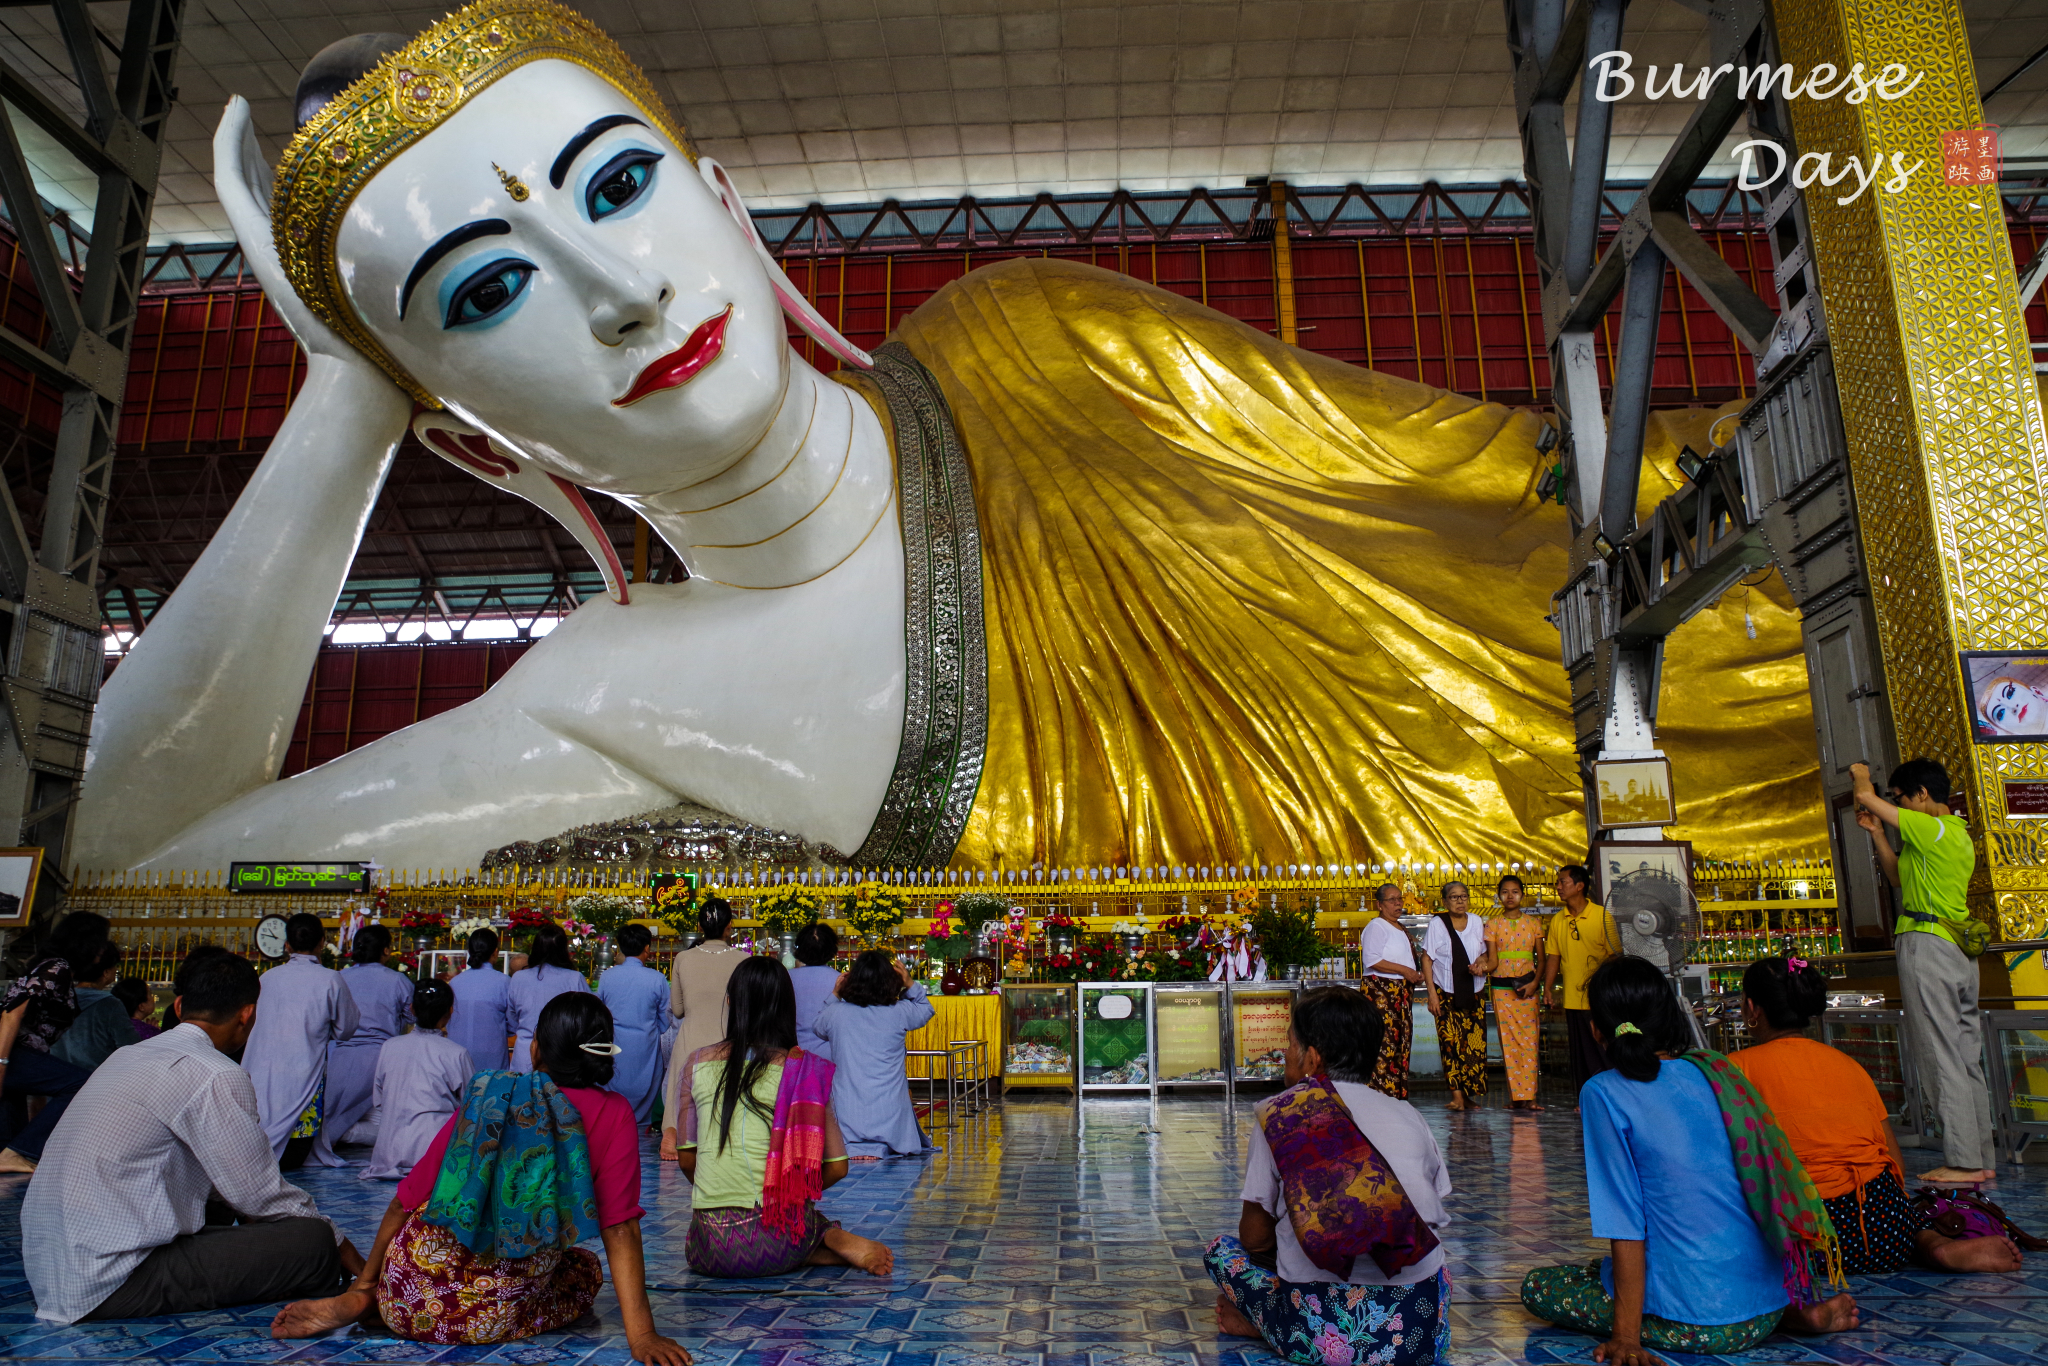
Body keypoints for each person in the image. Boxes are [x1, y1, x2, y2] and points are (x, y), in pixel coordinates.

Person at [269, 994, 691, 1365]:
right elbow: (620, 1227)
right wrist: (642, 1336)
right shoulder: (613, 1111)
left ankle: (367, 1302)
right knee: (582, 1269)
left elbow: (404, 1201)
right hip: (486, 1316)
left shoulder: (492, 1096)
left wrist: (364, 1283)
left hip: (403, 1288)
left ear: (536, 1049)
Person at [1520, 956, 1858, 1362]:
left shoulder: (1603, 1092)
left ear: (1596, 1030)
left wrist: (1626, 1338)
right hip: (1767, 1303)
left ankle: (1691, 1316)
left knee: (1541, 1286)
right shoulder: (1715, 1071)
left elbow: (1625, 1221)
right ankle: (1795, 1315)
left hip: (1698, 1326)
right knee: (1602, 1269)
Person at [23, 948, 359, 1323]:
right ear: (247, 1015)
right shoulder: (215, 1072)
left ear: (179, 1007)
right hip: (111, 1282)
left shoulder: (126, 1057)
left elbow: (233, 1194)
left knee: (218, 1202)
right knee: (310, 1241)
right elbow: (261, 1196)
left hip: (54, 1272)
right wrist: (345, 1249)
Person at [1206, 985, 1453, 1366]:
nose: (1285, 1053)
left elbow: (1253, 1238)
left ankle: (1268, 1322)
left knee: (1222, 1252)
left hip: (1320, 1332)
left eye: (1290, 1044)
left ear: (1312, 1059)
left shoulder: (1281, 1114)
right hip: (1418, 1331)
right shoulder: (1408, 1113)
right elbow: (1432, 1212)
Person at [1729, 956, 2020, 1275]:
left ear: (1752, 1009)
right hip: (1885, 1230)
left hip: (1807, 1237)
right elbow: (1896, 1162)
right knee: (1908, 1215)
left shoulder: (1734, 1068)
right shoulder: (1849, 1065)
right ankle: (1932, 1245)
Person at [676, 955, 894, 1277]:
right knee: (792, 1212)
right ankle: (826, 1239)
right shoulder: (804, 1070)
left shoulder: (695, 1063)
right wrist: (790, 1195)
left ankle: (816, 1246)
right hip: (777, 1243)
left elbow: (687, 1161)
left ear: (730, 1002)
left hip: (709, 1250)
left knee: (763, 1213)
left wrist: (720, 1194)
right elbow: (837, 1167)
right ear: (788, 1008)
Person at [1850, 758, 1995, 1184]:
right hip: (1957, 953)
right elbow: (1898, 878)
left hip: (1928, 945)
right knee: (1967, 1059)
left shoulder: (1932, 828)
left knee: (1939, 1055)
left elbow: (1864, 795)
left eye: (1901, 799)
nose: (1899, 808)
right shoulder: (1953, 836)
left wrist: (1861, 771)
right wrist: (1878, 835)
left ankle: (1963, 1162)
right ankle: (1981, 1157)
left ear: (1923, 794)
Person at [242, 912, 359, 1169]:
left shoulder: (266, 979)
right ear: (322, 942)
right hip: (303, 1066)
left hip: (263, 1067)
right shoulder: (330, 979)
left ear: (286, 945)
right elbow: (346, 1029)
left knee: (263, 1114)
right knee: (296, 1142)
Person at [0, 911, 111, 1172]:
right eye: (101, 940)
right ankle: (20, 1151)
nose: (104, 948)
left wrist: (37, 1095)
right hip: (11, 1053)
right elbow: (11, 1012)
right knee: (82, 1083)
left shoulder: (50, 966)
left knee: (8, 1144)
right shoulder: (57, 968)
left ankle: (14, 1156)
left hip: (18, 1055)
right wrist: (2, 1063)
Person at [814, 949, 936, 1158]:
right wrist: (909, 983)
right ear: (890, 981)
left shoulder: (836, 1013)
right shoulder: (899, 1011)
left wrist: (835, 994)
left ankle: (855, 1144)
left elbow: (818, 1027)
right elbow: (925, 1009)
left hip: (848, 1113)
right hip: (890, 1113)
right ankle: (886, 1142)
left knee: (842, 1104)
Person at [362, 980, 474, 1181]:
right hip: (431, 1155)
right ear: (449, 1012)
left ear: (412, 1009)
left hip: (387, 1154)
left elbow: (379, 1101)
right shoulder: (457, 1053)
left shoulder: (389, 1046)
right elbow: (472, 1107)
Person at [661, 899, 747, 1159]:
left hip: (691, 1037)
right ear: (730, 926)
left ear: (699, 926)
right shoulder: (742, 959)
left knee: (680, 1087)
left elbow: (677, 1009)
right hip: (727, 1039)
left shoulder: (683, 958)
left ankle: (672, 1134)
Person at [324, 924, 415, 1156]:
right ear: (386, 951)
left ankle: (330, 1133)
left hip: (336, 1056)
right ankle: (339, 1133)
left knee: (330, 1112)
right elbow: (414, 1015)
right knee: (392, 1130)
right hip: (378, 1058)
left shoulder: (339, 977)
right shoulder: (396, 980)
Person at [1542, 864, 1620, 1095]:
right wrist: (1547, 988)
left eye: (1562, 882)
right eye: (1557, 883)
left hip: (1599, 997)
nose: (1558, 887)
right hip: (1572, 998)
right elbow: (1553, 958)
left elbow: (1614, 956)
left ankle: (1613, 1092)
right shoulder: (1558, 920)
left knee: (1603, 1048)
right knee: (1580, 1052)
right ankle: (1584, 1097)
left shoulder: (1602, 916)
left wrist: (1605, 988)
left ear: (1579, 886)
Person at [1423, 880, 1490, 1110]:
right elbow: (1427, 958)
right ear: (1445, 901)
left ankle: (1469, 1094)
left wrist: (1480, 963)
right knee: (1450, 1044)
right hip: (1446, 992)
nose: (1460, 901)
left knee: (1473, 1045)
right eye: (1454, 897)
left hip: (1474, 992)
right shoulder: (1438, 924)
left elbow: (1484, 953)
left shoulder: (1477, 921)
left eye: (1464, 896)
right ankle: (1456, 1096)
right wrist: (1432, 995)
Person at [599, 923, 673, 1127]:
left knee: (613, 1084)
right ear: (647, 948)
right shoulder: (657, 979)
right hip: (645, 1043)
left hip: (614, 1042)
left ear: (620, 948)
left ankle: (615, 1121)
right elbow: (667, 1017)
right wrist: (651, 1031)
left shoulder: (607, 976)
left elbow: (599, 1011)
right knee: (647, 1087)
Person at [1358, 883, 1424, 1099]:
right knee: (1383, 1043)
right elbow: (1372, 959)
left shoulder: (1400, 927)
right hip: (1383, 992)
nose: (1398, 904)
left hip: (1401, 993)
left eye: (1400, 899)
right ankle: (1379, 1094)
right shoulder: (1377, 926)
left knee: (1400, 1043)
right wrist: (1406, 970)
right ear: (1379, 904)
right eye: (1392, 900)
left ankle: (1397, 1093)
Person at [1486, 874, 1546, 1110]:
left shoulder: (1533, 924)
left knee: (1529, 1041)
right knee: (1508, 1042)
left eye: (1515, 892)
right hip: (1501, 988)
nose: (1510, 897)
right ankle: (1516, 1097)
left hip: (1527, 987)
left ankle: (1530, 1097)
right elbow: (1492, 960)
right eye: (1505, 892)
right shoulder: (1492, 924)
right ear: (1498, 895)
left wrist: (1535, 984)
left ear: (1522, 895)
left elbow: (1541, 960)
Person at [507, 921, 591, 1075]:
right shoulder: (574, 978)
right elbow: (587, 1018)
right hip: (562, 1054)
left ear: (536, 949)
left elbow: (511, 1022)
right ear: (563, 949)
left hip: (525, 1053)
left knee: (523, 1097)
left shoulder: (518, 978)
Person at [52, 943, 137, 1072]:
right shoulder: (110, 1004)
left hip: (54, 1080)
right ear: (106, 972)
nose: (116, 970)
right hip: (93, 1083)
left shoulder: (57, 999)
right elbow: (131, 1048)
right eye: (115, 966)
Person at [447, 925, 511, 1073]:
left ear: (469, 951)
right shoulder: (504, 982)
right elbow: (512, 1023)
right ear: (496, 952)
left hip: (457, 1055)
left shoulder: (455, 982)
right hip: (491, 1057)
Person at [790, 924, 840, 1062]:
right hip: (829, 1056)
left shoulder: (786, 977)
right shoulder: (839, 981)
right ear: (832, 949)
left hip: (792, 1054)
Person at [113, 977, 159, 1042]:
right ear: (141, 1007)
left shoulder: (113, 1026)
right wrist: (153, 1031)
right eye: (150, 995)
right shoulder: (151, 1034)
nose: (153, 999)